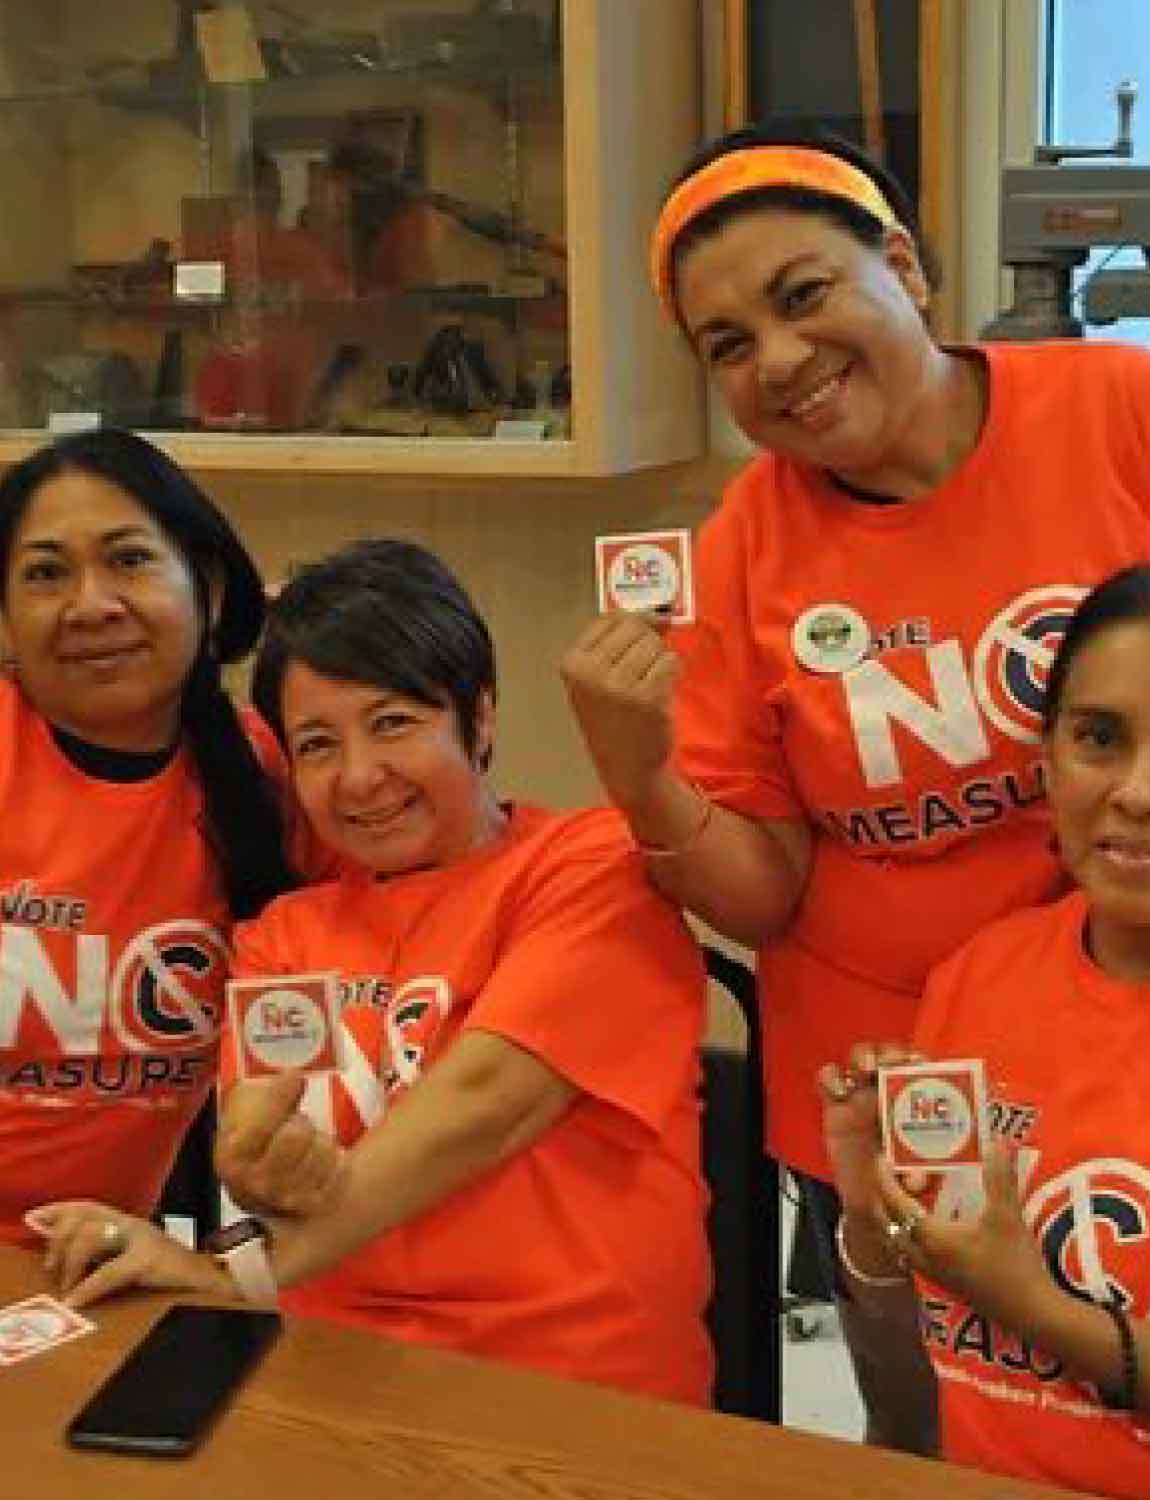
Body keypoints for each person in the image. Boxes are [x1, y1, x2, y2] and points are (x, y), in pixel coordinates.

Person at [560, 116, 1150, 1441]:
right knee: (937, 1426)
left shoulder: (1125, 414)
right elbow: (769, 893)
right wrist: (645, 781)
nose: (780, 362)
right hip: (899, 1079)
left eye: (804, 296)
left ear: (903, 265)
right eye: (727, 346)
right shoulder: (742, 552)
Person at [33, 539, 713, 1407]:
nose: (360, 778)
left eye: (394, 723)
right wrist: (254, 1169)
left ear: (483, 716)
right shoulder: (287, 933)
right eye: (317, 744)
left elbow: (485, 1107)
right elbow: (260, 1133)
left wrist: (234, 1269)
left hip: (570, 1389)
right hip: (323, 1376)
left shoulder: (592, 869)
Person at [820, 564, 1150, 1496]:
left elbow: (1001, 1304)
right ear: (1045, 762)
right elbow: (913, 1404)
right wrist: (871, 1223)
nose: (1140, 792)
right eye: (1099, 738)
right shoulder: (979, 977)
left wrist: (1030, 1303)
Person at [0, 426, 295, 1244]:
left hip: (92, 1269)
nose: (92, 604)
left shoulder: (269, 774)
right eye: (47, 573)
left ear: (206, 585)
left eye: (129, 559)